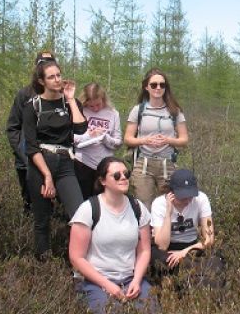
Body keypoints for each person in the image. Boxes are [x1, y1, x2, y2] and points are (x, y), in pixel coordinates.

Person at [69, 156, 156, 313]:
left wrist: (137, 280)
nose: (123, 178)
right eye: (116, 175)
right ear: (103, 181)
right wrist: (108, 286)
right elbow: (76, 257)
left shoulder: (138, 208)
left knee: (152, 309)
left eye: (126, 174)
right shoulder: (88, 210)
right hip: (95, 281)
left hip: (131, 278)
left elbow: (144, 250)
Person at [22, 59, 86, 260]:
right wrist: (47, 176)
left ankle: (77, 262)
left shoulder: (70, 103)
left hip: (66, 163)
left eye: (59, 75)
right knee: (42, 219)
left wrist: (71, 99)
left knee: (79, 215)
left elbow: (81, 129)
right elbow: (31, 147)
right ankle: (43, 264)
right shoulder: (32, 106)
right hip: (41, 165)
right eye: (51, 77)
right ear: (42, 81)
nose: (57, 80)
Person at [123, 68, 188, 211]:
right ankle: (146, 227)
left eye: (162, 85)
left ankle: (166, 226)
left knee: (168, 207)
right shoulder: (138, 110)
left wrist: (168, 140)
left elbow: (184, 139)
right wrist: (145, 140)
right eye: (154, 85)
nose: (158, 88)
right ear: (146, 87)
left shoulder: (175, 111)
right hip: (143, 163)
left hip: (167, 164)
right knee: (143, 207)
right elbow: (128, 138)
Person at [150, 168, 222, 287]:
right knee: (158, 258)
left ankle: (187, 276)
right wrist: (168, 214)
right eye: (183, 197)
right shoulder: (159, 204)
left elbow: (209, 239)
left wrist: (184, 253)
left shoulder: (201, 199)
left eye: (191, 196)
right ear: (171, 193)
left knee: (215, 259)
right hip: (169, 247)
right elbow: (162, 245)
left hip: (192, 245)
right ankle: (187, 276)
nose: (188, 200)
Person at [6, 51, 55, 213]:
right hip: (26, 161)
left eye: (50, 64)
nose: (46, 67)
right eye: (42, 64)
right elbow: (13, 127)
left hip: (54, 160)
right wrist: (24, 154)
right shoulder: (25, 94)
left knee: (52, 205)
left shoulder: (61, 96)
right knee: (30, 205)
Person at [74, 83, 122, 199]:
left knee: (102, 201)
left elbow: (118, 143)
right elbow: (70, 138)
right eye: (91, 106)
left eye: (98, 105)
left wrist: (105, 138)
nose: (95, 109)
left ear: (103, 99)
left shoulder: (113, 114)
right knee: (83, 201)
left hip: (104, 166)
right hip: (82, 163)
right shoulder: (79, 112)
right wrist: (88, 136)